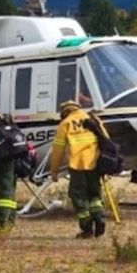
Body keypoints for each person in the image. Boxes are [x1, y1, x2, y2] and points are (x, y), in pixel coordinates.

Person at [50, 100, 108, 238]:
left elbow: (58, 150)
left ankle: (87, 229)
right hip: (95, 164)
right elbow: (106, 140)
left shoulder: (66, 123)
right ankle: (99, 217)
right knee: (95, 195)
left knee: (78, 196)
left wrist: (54, 171)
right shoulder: (93, 119)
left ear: (65, 112)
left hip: (77, 165)